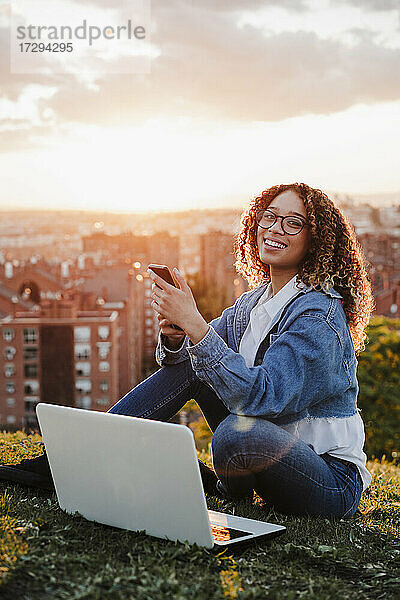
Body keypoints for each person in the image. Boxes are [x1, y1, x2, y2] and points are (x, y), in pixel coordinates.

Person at [0, 182, 374, 518]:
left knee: (235, 433)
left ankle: (225, 490)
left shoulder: (318, 314)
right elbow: (193, 364)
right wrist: (179, 335)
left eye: (293, 223)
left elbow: (262, 397)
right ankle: (71, 457)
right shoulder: (255, 302)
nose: (275, 229)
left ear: (317, 240)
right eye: (269, 217)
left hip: (329, 480)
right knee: (199, 366)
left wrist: (196, 324)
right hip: (271, 454)